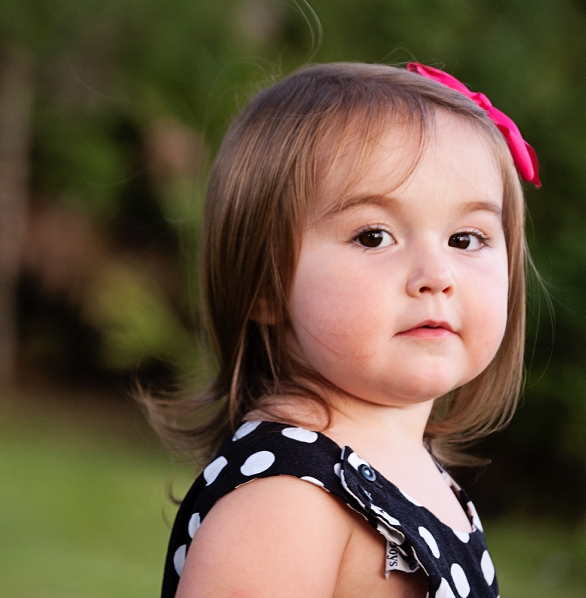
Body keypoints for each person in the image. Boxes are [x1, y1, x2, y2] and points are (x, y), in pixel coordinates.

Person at [145, 62, 541, 598]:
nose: (436, 277)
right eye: (374, 236)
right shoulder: (287, 494)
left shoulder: (409, 470)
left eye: (466, 239)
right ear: (264, 284)